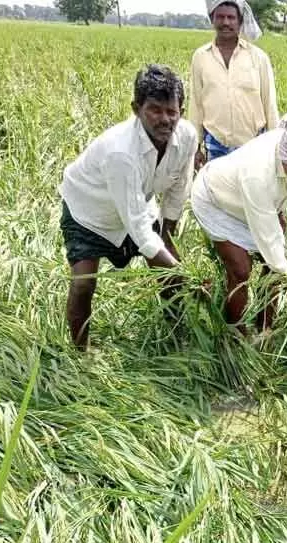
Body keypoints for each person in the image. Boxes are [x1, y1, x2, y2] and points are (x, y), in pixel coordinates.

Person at [59, 64, 197, 351]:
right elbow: (140, 231)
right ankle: (80, 354)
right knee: (84, 282)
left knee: (167, 273)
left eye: (172, 111)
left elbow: (177, 189)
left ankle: (176, 340)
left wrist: (169, 240)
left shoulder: (186, 137)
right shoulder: (121, 152)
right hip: (90, 213)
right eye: (155, 110)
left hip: (137, 204)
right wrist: (186, 277)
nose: (165, 120)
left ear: (181, 110)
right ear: (136, 108)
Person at [190, 111, 287, 335]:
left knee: (273, 267)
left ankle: (265, 328)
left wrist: (281, 266)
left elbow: (274, 212)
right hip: (216, 201)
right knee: (241, 272)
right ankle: (236, 333)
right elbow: (269, 236)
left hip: (255, 203)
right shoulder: (257, 174)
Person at [189, 0, 279, 166]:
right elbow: (196, 103)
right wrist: (195, 147)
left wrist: (275, 146)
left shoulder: (258, 58)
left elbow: (269, 103)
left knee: (251, 191)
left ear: (240, 21)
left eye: (231, 17)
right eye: (220, 17)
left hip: (253, 144)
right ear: (212, 19)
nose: (225, 22)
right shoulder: (200, 57)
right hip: (216, 144)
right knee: (217, 191)